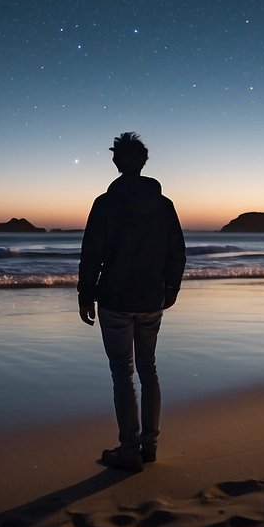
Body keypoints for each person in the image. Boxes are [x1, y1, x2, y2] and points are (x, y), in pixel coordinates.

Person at [78, 132, 187, 472]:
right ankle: (149, 446)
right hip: (150, 298)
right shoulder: (163, 205)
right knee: (148, 370)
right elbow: (177, 253)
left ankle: (129, 450)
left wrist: (85, 293)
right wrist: (170, 290)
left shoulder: (105, 203)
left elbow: (91, 253)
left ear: (116, 163)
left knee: (122, 373)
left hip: (115, 299)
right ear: (143, 163)